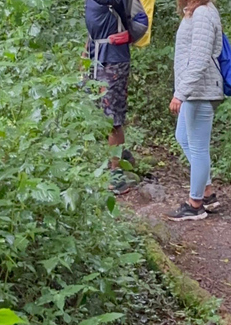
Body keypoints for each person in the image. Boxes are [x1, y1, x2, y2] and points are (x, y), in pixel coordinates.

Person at [167, 0, 224, 221]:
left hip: (200, 91)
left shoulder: (203, 13)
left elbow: (200, 60)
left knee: (199, 148)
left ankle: (195, 204)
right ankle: (207, 192)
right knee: (183, 137)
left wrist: (181, 92)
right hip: (195, 91)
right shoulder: (194, 12)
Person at [84, 0, 134, 195]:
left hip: (114, 60)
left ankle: (117, 174)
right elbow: (93, 30)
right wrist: (85, 56)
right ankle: (121, 155)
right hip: (97, 59)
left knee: (110, 117)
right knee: (102, 114)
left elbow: (136, 20)